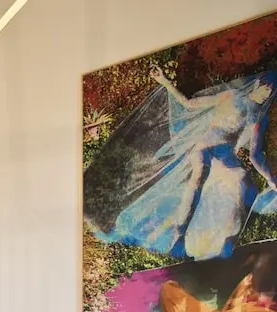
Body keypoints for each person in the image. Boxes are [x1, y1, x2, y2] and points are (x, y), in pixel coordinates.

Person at [84, 67, 277, 260]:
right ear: (257, 84)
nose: (267, 93)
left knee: (247, 188)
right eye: (266, 87)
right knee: (198, 179)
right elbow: (189, 104)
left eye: (271, 91)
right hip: (205, 147)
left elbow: (255, 155)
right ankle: (180, 232)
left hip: (225, 158)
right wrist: (165, 82)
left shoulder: (257, 118)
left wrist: (270, 179)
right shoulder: (229, 97)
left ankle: (229, 240)